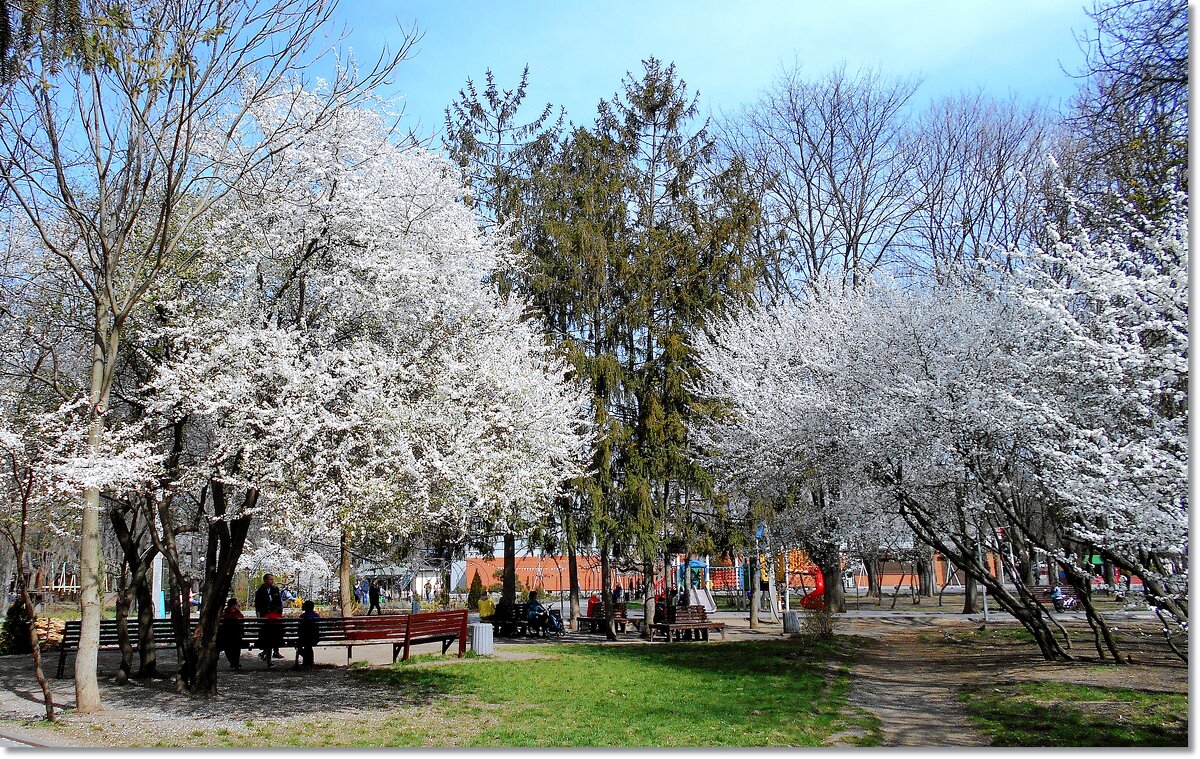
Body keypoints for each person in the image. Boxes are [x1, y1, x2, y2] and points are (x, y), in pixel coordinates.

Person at [254, 573, 285, 661]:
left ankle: (274, 650)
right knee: (267, 633)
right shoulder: (260, 591)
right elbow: (258, 604)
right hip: (265, 615)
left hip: (274, 615)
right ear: (265, 580)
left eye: (272, 579)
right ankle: (266, 650)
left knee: (275, 631)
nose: (272, 581)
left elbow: (279, 602)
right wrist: (259, 616)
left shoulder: (275, 589)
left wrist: (278, 612)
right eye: (270, 579)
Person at [218, 597, 244, 670]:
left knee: (227, 647)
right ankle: (235, 663)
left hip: (226, 636)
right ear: (234, 605)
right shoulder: (237, 613)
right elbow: (242, 620)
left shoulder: (225, 613)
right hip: (236, 636)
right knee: (236, 646)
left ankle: (233, 662)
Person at [297, 600, 321, 668]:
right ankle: (309, 661)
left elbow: (299, 629)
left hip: (303, 638)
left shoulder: (302, 616)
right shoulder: (316, 616)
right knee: (308, 645)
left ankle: (307, 660)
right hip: (315, 638)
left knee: (301, 645)